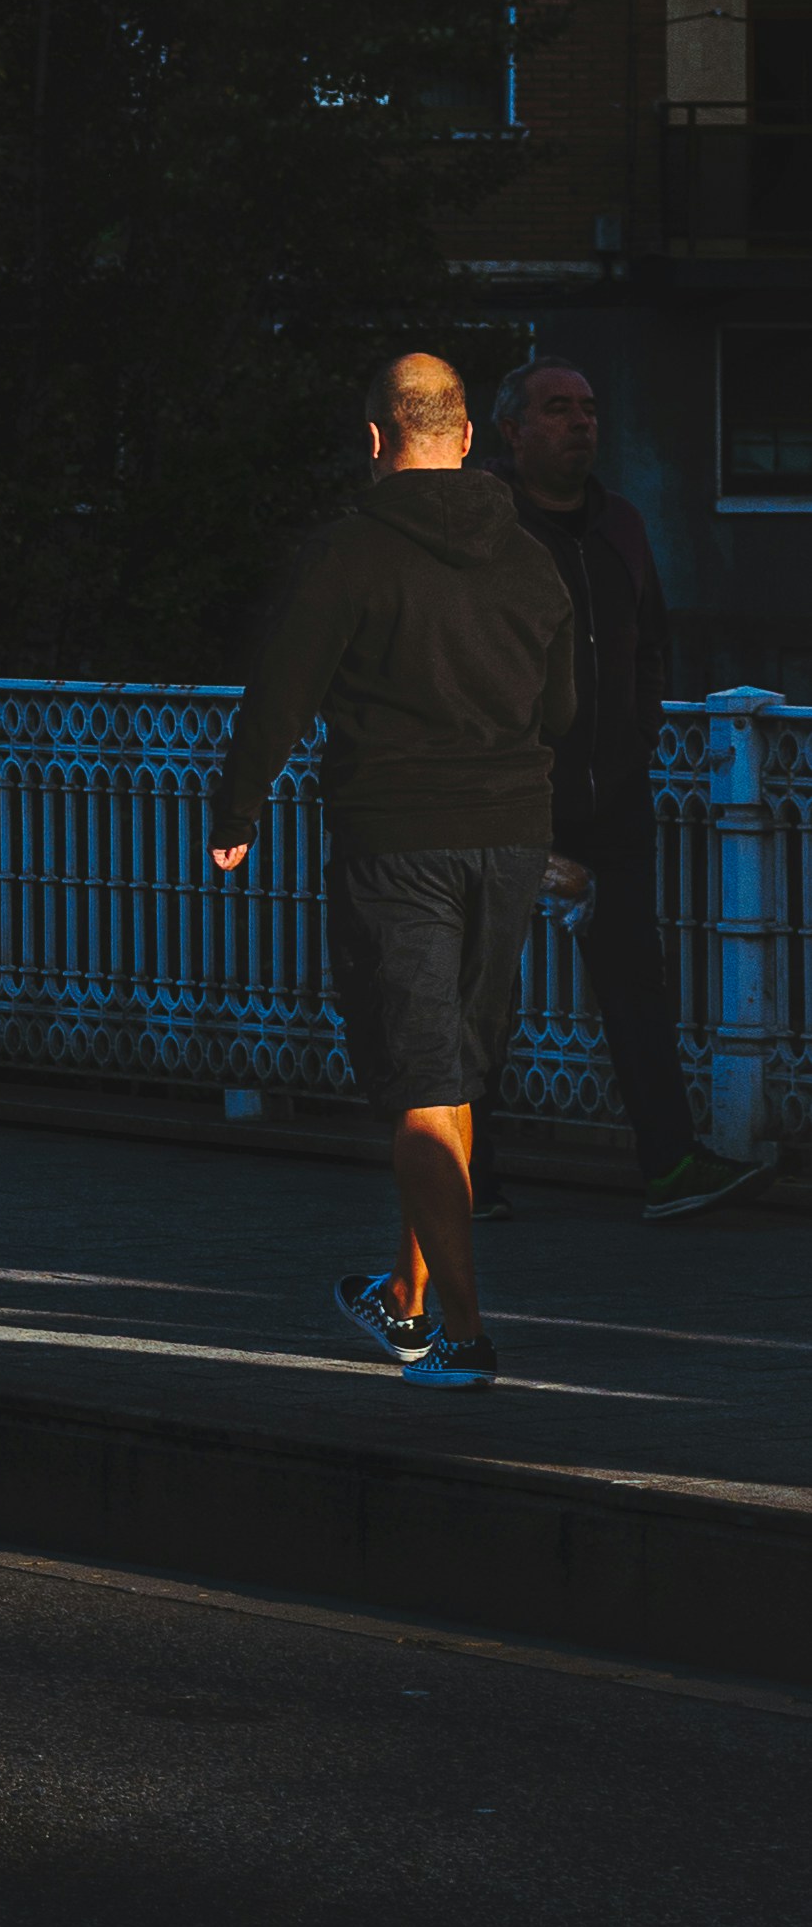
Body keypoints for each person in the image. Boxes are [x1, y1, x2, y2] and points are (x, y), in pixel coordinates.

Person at [210, 349, 578, 1394]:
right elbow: (559, 710)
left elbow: (282, 691)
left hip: (396, 836)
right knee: (450, 1074)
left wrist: (237, 810)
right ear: (464, 437)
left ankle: (459, 1337)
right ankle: (407, 1297)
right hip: (510, 834)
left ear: (376, 439)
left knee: (419, 1080)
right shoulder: (531, 559)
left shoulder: (348, 553)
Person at [492, 363, 769, 1223]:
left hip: (610, 797)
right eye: (557, 409)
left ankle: (670, 1166)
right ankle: (462, 1180)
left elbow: (649, 641)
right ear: (512, 431)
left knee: (635, 985)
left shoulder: (622, 523)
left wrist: (638, 735)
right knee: (481, 987)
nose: (580, 423)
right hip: (506, 795)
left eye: (588, 409)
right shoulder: (486, 525)